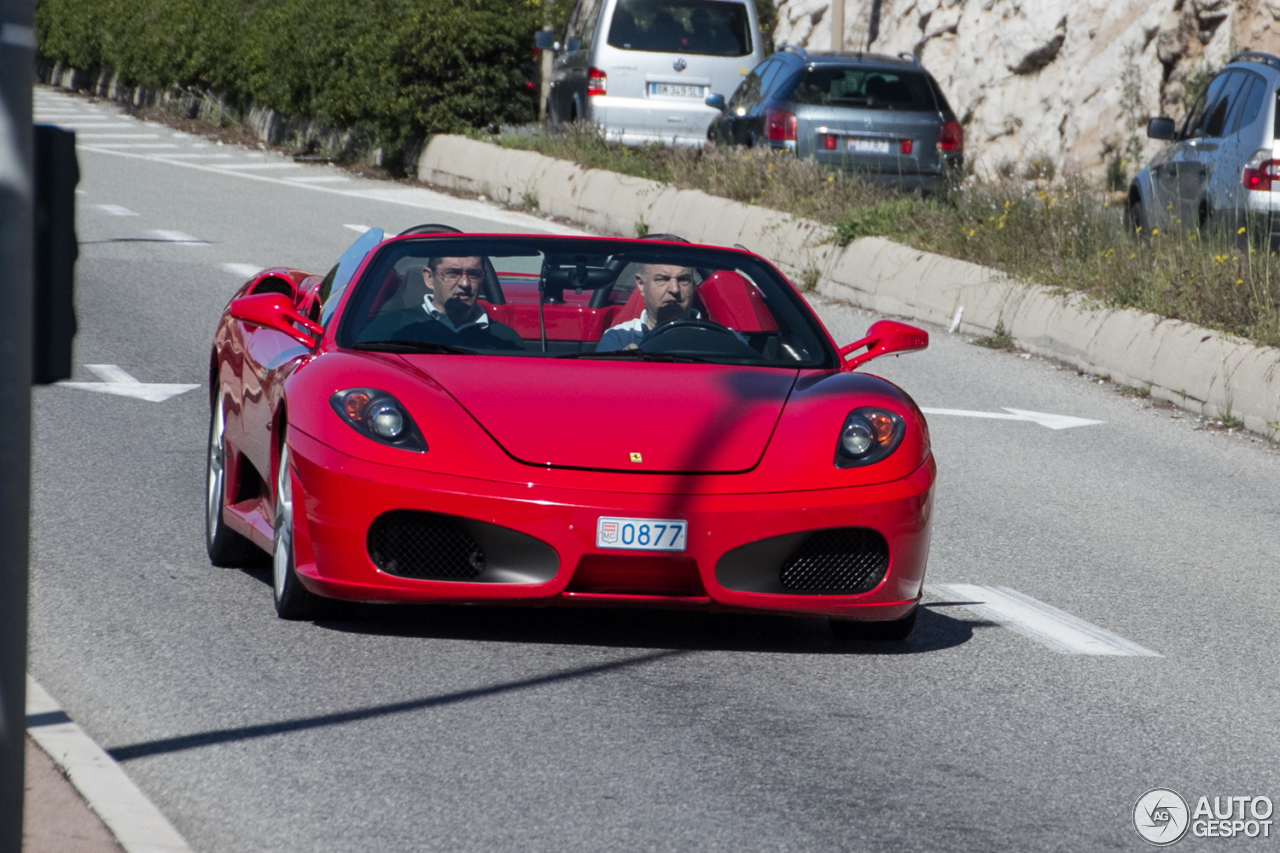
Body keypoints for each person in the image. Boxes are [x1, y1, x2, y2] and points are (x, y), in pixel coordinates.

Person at [361, 256, 523, 350]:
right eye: (452, 273)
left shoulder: (505, 338)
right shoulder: (389, 328)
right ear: (429, 278)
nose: (465, 283)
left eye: (474, 274)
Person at [596, 263, 700, 351]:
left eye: (683, 279)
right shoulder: (619, 338)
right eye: (662, 279)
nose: (675, 289)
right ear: (641, 284)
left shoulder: (712, 337)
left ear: (693, 284)